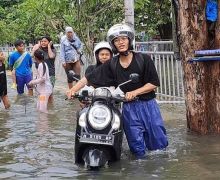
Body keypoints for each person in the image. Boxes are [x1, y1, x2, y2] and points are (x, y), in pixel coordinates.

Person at [67, 23, 168, 158]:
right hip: (129, 108)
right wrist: (73, 89)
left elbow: (154, 83)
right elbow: (89, 77)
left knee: (158, 146)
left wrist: (135, 92)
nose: (120, 42)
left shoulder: (143, 59)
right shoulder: (112, 64)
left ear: (129, 40)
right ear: (113, 44)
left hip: (148, 106)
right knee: (136, 148)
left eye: (123, 39)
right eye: (116, 40)